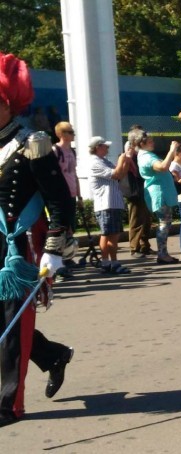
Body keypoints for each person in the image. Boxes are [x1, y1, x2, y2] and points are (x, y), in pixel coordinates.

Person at [0, 52, 75, 428]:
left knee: (14, 324)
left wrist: (53, 252)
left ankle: (8, 404)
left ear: (9, 101)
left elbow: (61, 203)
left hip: (21, 247)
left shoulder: (34, 143)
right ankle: (52, 355)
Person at [133, 128, 180, 265]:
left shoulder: (146, 155)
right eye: (150, 141)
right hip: (159, 193)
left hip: (161, 192)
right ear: (141, 143)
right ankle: (162, 254)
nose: (153, 142)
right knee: (164, 224)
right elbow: (163, 167)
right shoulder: (147, 157)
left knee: (165, 223)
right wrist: (172, 150)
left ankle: (163, 253)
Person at [87, 136, 132, 273]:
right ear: (97, 147)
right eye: (105, 146)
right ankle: (112, 263)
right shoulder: (95, 163)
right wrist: (121, 160)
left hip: (113, 202)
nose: (107, 148)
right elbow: (116, 174)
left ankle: (108, 263)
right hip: (106, 203)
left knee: (111, 235)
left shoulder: (104, 161)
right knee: (109, 235)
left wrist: (127, 161)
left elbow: (121, 175)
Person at [123, 126, 154, 258]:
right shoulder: (129, 154)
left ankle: (144, 245)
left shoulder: (142, 154)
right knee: (136, 219)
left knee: (146, 219)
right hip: (134, 191)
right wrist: (128, 157)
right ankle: (134, 248)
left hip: (144, 189)